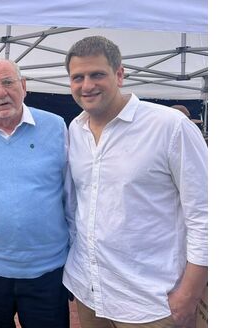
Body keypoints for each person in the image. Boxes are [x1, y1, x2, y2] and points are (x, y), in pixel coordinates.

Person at [62, 36, 208, 328]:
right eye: (78, 77)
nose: (87, 85)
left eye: (97, 74)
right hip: (89, 292)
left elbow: (205, 214)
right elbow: (78, 205)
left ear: (119, 74)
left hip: (151, 303)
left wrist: (189, 294)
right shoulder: (75, 129)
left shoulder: (170, 127)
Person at [0, 58, 71, 327]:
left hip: (47, 270)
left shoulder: (57, 127)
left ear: (23, 86)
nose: (0, 93)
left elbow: (73, 194)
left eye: (8, 82)